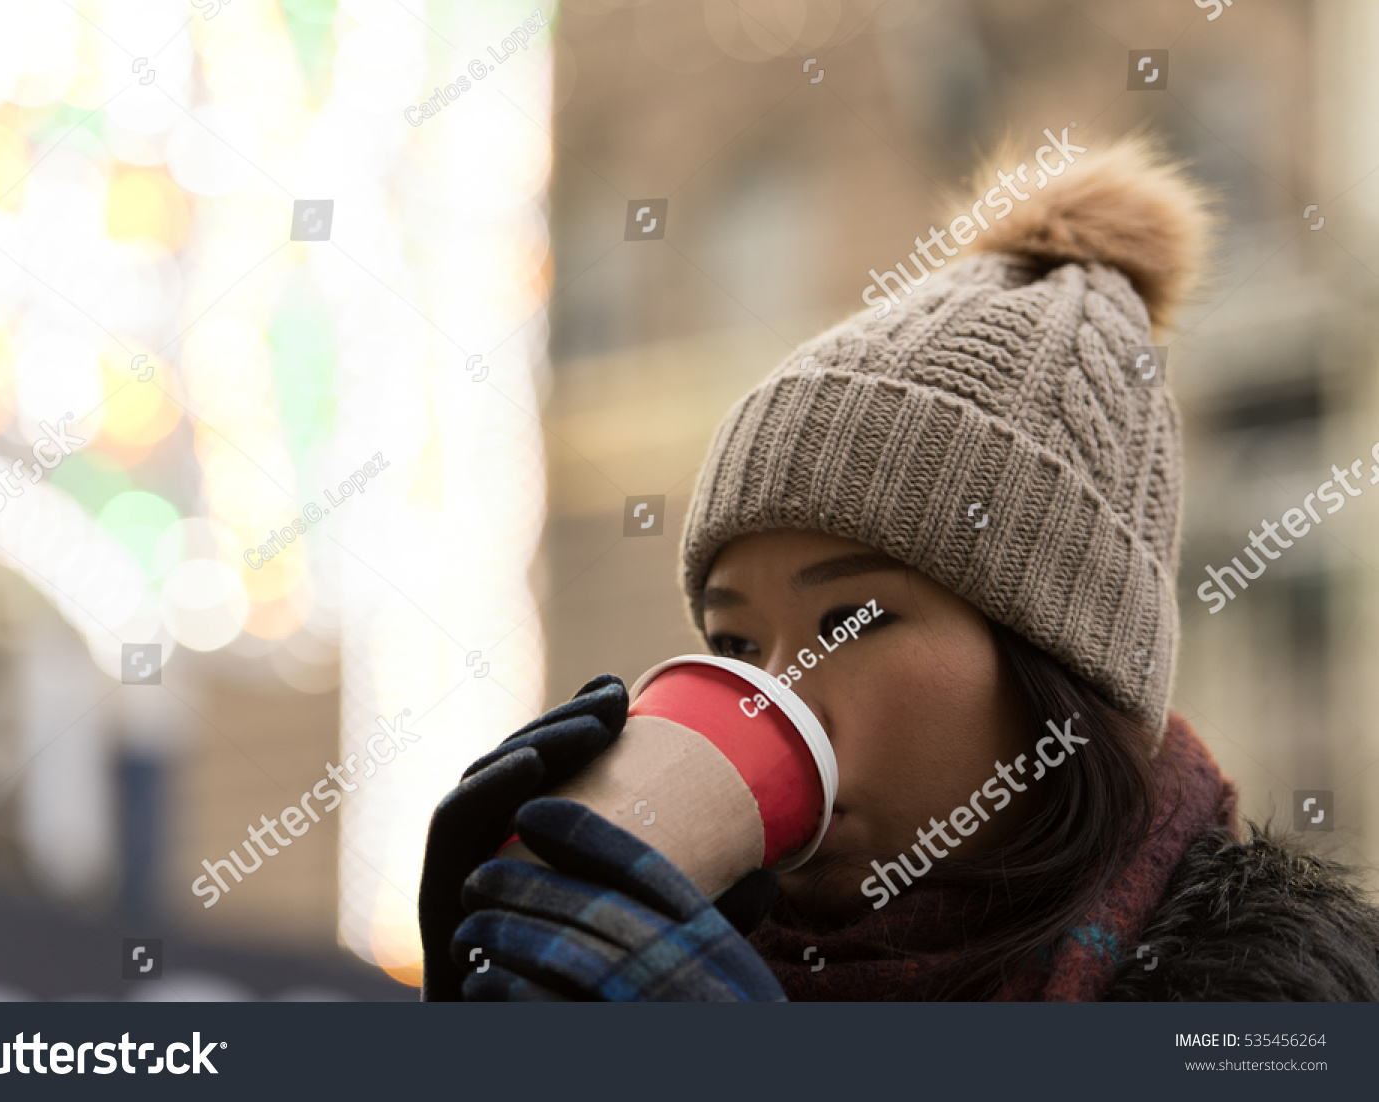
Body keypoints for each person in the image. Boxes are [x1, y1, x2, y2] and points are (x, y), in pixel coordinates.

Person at [418, 136, 1379, 1001]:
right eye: (735, 642)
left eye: (850, 621)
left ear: (1061, 663)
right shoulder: (668, 970)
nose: (773, 690)